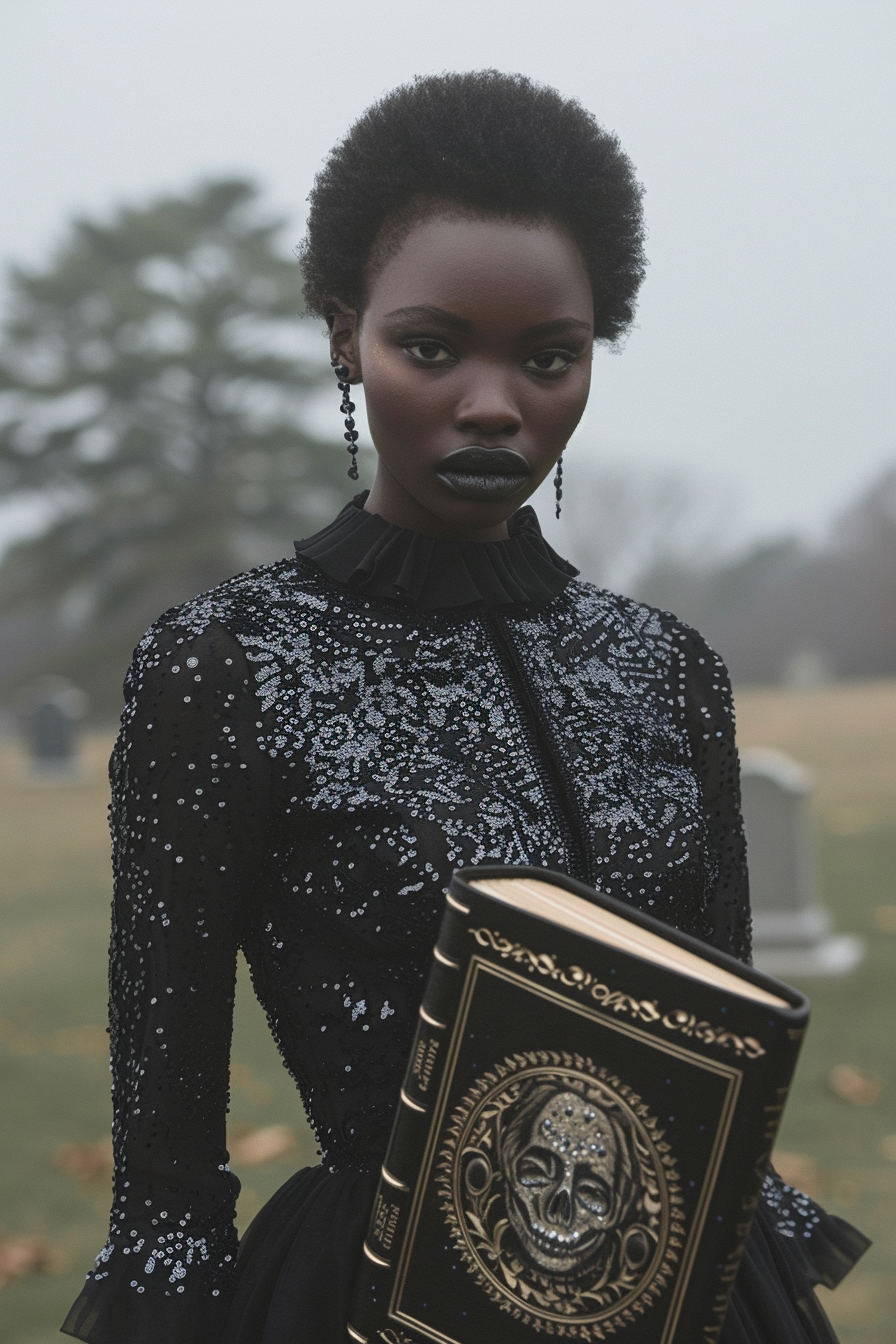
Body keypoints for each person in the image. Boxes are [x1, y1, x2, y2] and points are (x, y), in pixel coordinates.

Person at [62, 72, 867, 1344]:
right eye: (430, 348)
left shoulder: (667, 669)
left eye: (548, 357)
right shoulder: (229, 666)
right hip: (379, 1298)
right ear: (345, 333)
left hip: (692, 1300)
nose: (494, 402)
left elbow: (721, 1033)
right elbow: (164, 1116)